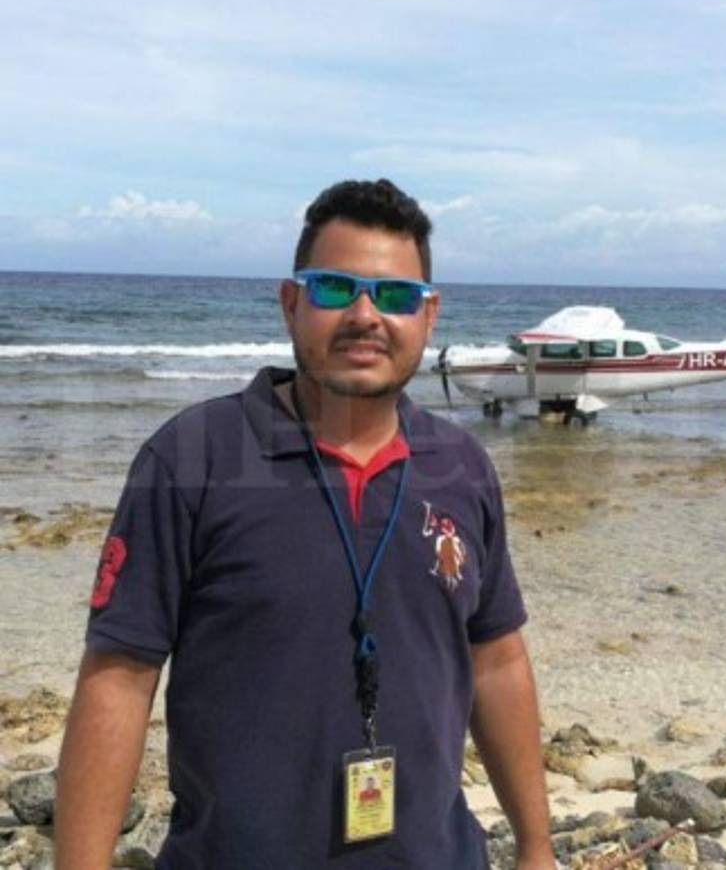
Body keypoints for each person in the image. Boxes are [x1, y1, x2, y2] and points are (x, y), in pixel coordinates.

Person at [55, 179, 556, 868]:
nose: (365, 315)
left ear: (428, 315)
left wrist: (535, 847)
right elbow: (119, 676)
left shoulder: (461, 466)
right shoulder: (192, 457)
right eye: (333, 289)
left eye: (394, 295)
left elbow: (496, 659)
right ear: (291, 302)